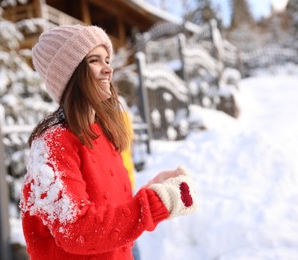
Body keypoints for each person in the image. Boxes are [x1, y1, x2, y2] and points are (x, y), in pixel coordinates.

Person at [20, 24, 197, 260]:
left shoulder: (102, 133)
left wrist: (153, 190)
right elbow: (76, 230)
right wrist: (156, 203)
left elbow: (108, 222)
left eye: (107, 59)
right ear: (70, 74)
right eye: (95, 60)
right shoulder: (54, 143)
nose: (108, 69)